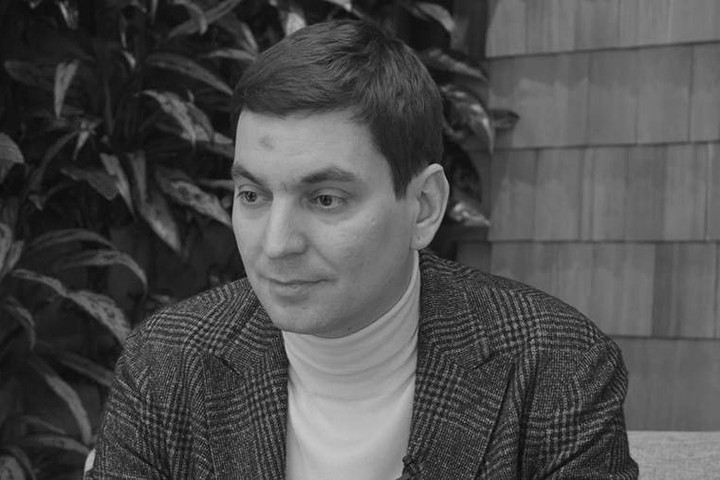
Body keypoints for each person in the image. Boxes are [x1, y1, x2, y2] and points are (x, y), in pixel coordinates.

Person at [87, 19, 638, 479]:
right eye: (253, 195)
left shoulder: (554, 369)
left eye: (325, 199)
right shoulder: (166, 364)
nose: (276, 245)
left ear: (423, 207)